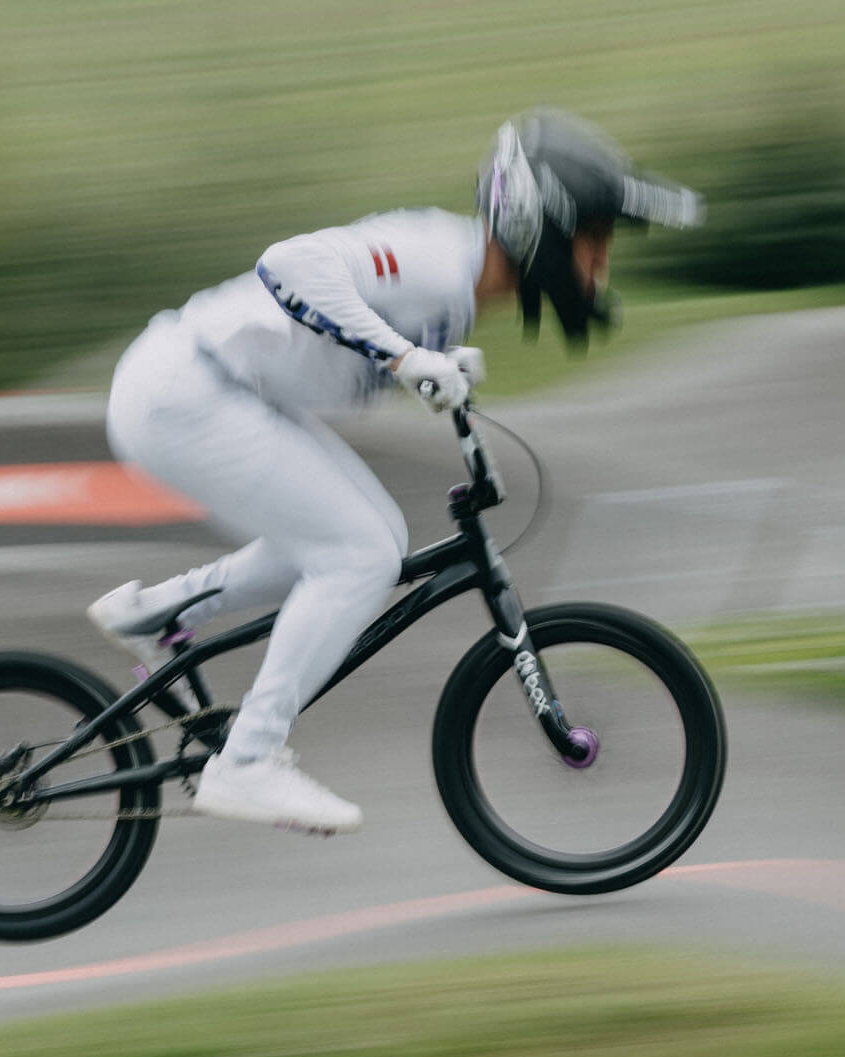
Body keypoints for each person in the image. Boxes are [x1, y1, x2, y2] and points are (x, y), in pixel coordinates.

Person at [93, 107, 702, 835]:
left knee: (374, 533)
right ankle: (246, 762)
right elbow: (291, 266)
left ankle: (161, 613)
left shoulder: (462, 289)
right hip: (185, 394)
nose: (602, 266)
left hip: (217, 391)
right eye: (596, 242)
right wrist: (406, 358)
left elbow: (380, 342)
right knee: (358, 554)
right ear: (547, 225)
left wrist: (438, 367)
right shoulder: (441, 259)